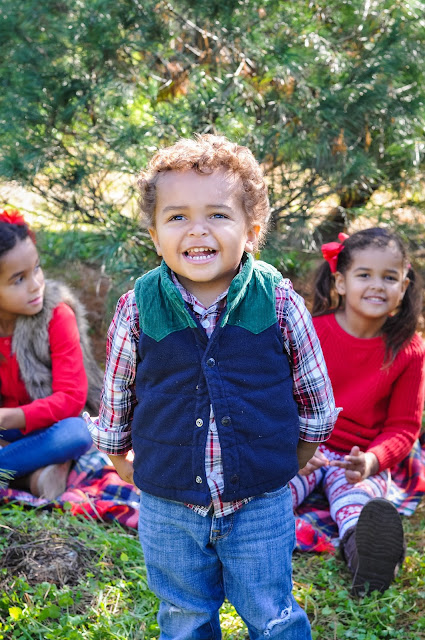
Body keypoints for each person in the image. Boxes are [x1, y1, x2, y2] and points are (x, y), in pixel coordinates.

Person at [87, 134, 339, 640]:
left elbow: (315, 397)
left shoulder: (279, 302)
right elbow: (117, 395)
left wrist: (292, 458)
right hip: (170, 505)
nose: (197, 230)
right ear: (156, 236)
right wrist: (118, 457)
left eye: (218, 215)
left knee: (271, 611)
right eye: (177, 216)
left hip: (259, 503)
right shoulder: (138, 307)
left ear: (252, 230)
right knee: (184, 614)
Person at [290, 228, 425, 596]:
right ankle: (242, 535)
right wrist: (295, 446)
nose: (377, 285)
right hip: (304, 448)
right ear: (341, 281)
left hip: (355, 458)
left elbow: (403, 427)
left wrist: (371, 461)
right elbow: (281, 398)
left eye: (390, 277)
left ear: (404, 285)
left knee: (357, 506)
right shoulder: (311, 333)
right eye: (365, 274)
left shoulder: (408, 349)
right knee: (272, 493)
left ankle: (368, 561)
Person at [0, 209, 102, 500]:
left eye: (36, 268)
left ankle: (16, 465)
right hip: (12, 436)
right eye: (18, 279)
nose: (35, 284)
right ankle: (35, 477)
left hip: (53, 429)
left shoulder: (56, 315)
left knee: (77, 434)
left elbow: (71, 399)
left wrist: (9, 417)